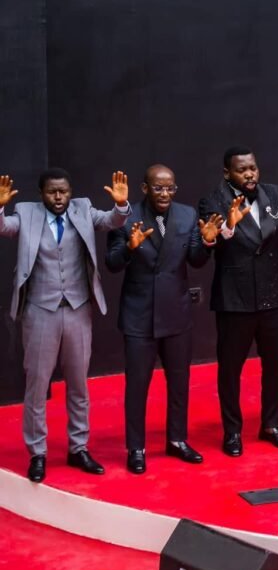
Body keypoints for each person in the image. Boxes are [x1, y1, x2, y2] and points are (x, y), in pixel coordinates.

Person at [0, 169, 132, 482]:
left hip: (77, 309)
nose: (58, 197)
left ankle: (78, 447)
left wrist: (121, 205)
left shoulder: (83, 209)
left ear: (71, 191)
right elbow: (4, 227)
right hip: (40, 312)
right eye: (52, 192)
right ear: (41, 193)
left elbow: (112, 221)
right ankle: (38, 453)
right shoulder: (27, 213)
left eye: (63, 191)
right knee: (36, 386)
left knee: (78, 384)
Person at [198, 147, 278, 457]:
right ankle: (232, 431)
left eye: (253, 168)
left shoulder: (274, 193)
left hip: (274, 296)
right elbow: (210, 241)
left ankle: (272, 425)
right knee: (230, 370)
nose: (250, 174)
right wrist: (228, 228)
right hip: (235, 299)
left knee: (275, 365)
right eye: (242, 169)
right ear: (227, 173)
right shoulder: (212, 201)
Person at [105, 165, 219, 474]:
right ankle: (136, 448)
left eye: (170, 188)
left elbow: (195, 259)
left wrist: (207, 243)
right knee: (137, 386)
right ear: (145, 188)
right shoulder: (126, 217)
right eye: (158, 188)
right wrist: (129, 248)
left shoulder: (186, 215)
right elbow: (112, 263)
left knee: (179, 383)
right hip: (139, 316)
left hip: (176, 314)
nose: (165, 193)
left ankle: (177, 440)